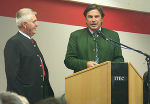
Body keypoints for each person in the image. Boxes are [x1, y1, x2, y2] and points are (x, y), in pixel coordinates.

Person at [4, 8, 54, 104]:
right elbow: (12, 76)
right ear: (24, 24)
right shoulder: (14, 42)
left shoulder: (32, 41)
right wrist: (21, 99)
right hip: (26, 98)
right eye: (34, 21)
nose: (37, 24)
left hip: (39, 96)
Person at [64, 4, 124, 72]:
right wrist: (86, 64)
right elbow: (69, 60)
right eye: (90, 17)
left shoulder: (113, 35)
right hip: (83, 79)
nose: (93, 20)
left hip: (106, 78)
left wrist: (106, 67)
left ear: (101, 19)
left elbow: (119, 59)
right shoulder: (76, 35)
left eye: (96, 16)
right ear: (86, 19)